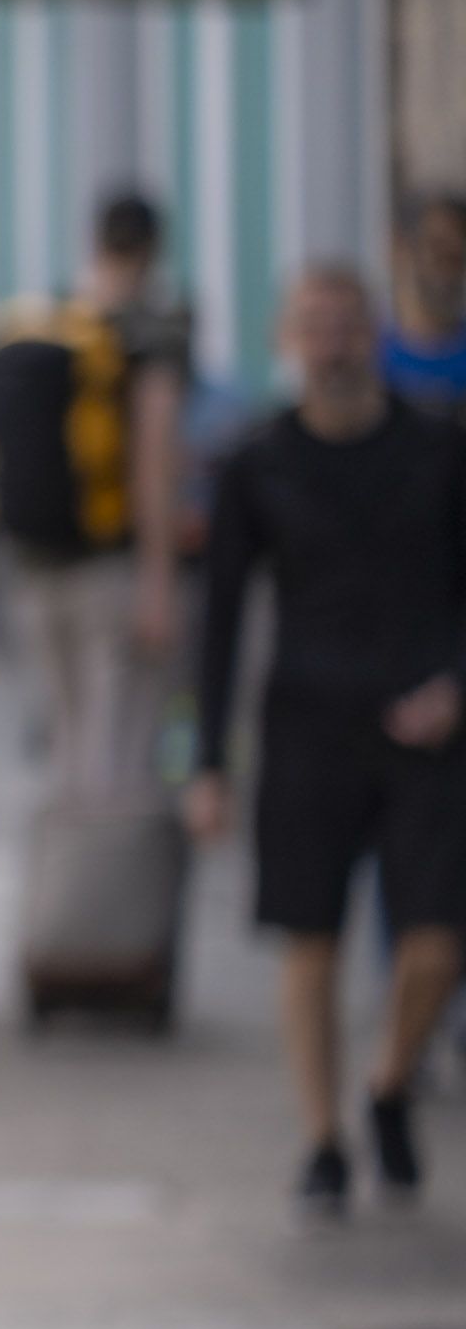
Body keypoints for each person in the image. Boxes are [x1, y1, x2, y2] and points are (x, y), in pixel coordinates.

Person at [189, 265, 465, 1219]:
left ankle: (389, 1081)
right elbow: (220, 617)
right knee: (311, 940)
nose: (333, 342)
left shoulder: (439, 441)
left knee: (438, 942)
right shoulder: (256, 458)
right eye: (315, 325)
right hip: (306, 724)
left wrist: (455, 687)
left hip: (426, 724)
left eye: (348, 324)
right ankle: (322, 1139)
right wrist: (208, 765)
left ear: (375, 333)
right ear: (287, 340)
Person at [0, 188, 189, 802]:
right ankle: (108, 894)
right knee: (117, 755)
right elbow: (155, 465)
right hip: (111, 569)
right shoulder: (148, 333)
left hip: (34, 568)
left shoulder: (44, 321)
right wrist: (161, 581)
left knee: (65, 752)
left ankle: (66, 890)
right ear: (153, 249)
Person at [386, 194, 466, 415]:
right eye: (436, 245)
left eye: (457, 253)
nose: (447, 265)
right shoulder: (362, 354)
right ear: (399, 248)